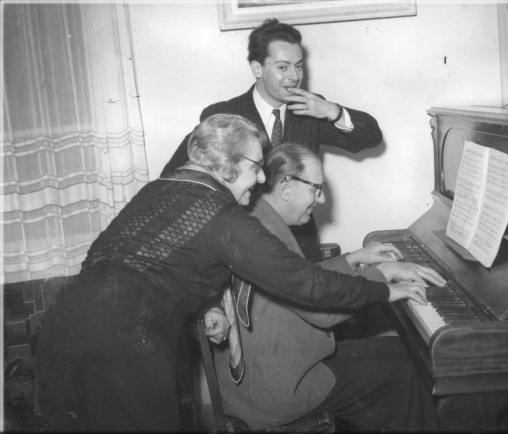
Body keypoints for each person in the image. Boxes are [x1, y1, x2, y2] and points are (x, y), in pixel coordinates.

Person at [34, 114, 424, 431]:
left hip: (62, 329)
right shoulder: (221, 215)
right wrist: (384, 292)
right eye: (255, 167)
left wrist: (205, 306)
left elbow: (138, 264)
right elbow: (306, 284)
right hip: (122, 351)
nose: (259, 178)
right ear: (226, 165)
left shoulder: (159, 188)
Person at [209, 143, 444, 431]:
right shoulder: (269, 231)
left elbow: (303, 278)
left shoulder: (257, 217)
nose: (320, 200)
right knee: (403, 371)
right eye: (315, 189)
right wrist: (383, 275)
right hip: (278, 391)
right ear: (285, 188)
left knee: (397, 349)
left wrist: (354, 259)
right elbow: (321, 309)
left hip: (256, 378)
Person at [161, 18, 383, 263]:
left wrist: (332, 111)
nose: (294, 76)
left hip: (299, 243)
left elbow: (370, 136)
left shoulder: (312, 109)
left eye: (299, 66)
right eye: (283, 67)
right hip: (240, 247)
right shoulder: (222, 114)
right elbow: (176, 177)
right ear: (258, 68)